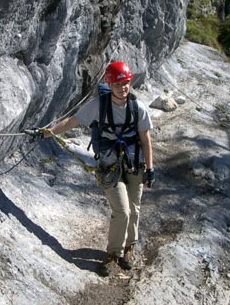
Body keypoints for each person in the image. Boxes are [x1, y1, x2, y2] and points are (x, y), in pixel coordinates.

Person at [42, 61, 154, 277]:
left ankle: (129, 248)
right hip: (110, 164)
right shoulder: (98, 106)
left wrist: (150, 169)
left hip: (134, 164)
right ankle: (114, 254)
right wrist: (46, 133)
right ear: (110, 85)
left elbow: (145, 139)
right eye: (119, 84)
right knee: (122, 210)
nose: (123, 88)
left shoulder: (137, 108)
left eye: (127, 83)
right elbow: (71, 122)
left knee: (135, 208)